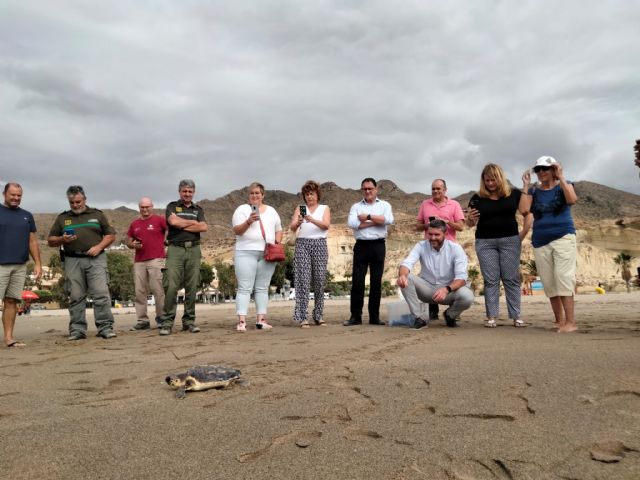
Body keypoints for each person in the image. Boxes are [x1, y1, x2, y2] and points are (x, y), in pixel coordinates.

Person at [466, 164, 533, 328]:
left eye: (493, 179)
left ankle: (516, 316)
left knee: (511, 279)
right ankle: (491, 317)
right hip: (485, 242)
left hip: (510, 240)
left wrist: (523, 233)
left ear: (500, 178)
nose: (490, 183)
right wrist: (470, 218)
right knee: (491, 280)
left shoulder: (513, 194)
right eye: (487, 180)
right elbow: (469, 223)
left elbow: (526, 211)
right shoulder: (477, 198)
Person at [48, 185, 116, 340]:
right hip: (72, 260)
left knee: (101, 294)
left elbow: (111, 235)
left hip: (96, 260)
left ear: (84, 199)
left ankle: (105, 327)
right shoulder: (62, 218)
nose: (75, 205)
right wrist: (62, 239)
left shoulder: (97, 215)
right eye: (72, 202)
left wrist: (98, 247)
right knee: (76, 296)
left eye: (78, 202)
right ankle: (77, 330)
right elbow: (51, 240)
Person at [519, 156, 578, 333]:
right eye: (538, 169)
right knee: (549, 281)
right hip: (540, 240)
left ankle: (571, 322)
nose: (541, 172)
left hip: (563, 236)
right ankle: (559, 321)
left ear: (553, 169)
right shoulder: (534, 192)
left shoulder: (564, 186)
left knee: (564, 277)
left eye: (546, 168)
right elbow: (523, 210)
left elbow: (572, 199)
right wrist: (526, 186)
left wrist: (561, 176)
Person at [396, 219, 474, 329]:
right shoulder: (421, 245)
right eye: (430, 234)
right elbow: (407, 264)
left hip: (449, 291)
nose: (432, 238)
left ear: (445, 234)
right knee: (405, 279)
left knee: (468, 296)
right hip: (427, 289)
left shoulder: (456, 248)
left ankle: (450, 315)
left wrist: (446, 289)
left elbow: (461, 278)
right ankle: (419, 318)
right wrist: (403, 275)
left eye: (436, 235)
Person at [157, 180, 208, 336]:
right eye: (184, 191)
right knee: (171, 286)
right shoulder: (172, 207)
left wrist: (182, 223)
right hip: (175, 249)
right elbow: (172, 221)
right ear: (180, 191)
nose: (187, 194)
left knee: (192, 287)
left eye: (190, 191)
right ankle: (167, 323)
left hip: (193, 249)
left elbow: (204, 227)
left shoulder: (198, 209)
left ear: (194, 192)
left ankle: (189, 322)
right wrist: (192, 222)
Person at [232, 182, 283, 332]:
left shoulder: (272, 211)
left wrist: (276, 241)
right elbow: (237, 231)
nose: (254, 196)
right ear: (248, 195)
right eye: (252, 193)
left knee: (262, 287)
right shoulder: (242, 210)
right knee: (244, 288)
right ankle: (242, 321)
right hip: (245, 251)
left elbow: (279, 229)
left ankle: (261, 320)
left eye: (257, 193)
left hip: (267, 252)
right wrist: (249, 221)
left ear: (263, 195)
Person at [343, 178, 394, 326]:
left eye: (370, 188)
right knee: (357, 282)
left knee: (376, 282)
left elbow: (389, 220)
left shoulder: (384, 205)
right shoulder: (356, 207)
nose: (367, 191)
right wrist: (377, 221)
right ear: (362, 190)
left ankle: (374, 317)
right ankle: (355, 316)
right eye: (365, 189)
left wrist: (368, 218)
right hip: (361, 246)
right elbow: (352, 224)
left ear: (376, 189)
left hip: (378, 245)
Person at [416, 178, 465, 322]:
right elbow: (417, 226)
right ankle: (433, 311)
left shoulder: (454, 204)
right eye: (433, 189)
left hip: (450, 248)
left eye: (438, 188)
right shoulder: (425, 204)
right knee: (430, 277)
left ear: (445, 190)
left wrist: (446, 222)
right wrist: (428, 225)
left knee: (450, 278)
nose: (436, 191)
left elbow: (461, 227)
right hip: (430, 246)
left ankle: (452, 311)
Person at [1, 182, 42, 347]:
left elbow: (32, 241)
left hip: (19, 265)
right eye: (13, 195)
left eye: (19, 195)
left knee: (11, 301)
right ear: (4, 194)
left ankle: (9, 338)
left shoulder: (27, 215)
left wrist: (38, 263)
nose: (16, 198)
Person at [289, 180, 331, 328]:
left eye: (312, 193)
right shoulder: (300, 208)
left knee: (319, 280)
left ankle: (318, 315)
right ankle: (303, 317)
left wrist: (311, 219)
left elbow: (326, 225)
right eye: (307, 194)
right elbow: (292, 227)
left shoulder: (324, 208)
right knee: (303, 281)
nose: (309, 197)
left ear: (317, 194)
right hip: (302, 244)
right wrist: (299, 221)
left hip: (319, 243)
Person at [127, 197, 168, 330]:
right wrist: (132, 244)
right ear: (139, 208)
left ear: (152, 206)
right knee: (139, 292)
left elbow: (170, 230)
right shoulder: (134, 224)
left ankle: (161, 318)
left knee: (158, 291)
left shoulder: (159, 220)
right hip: (139, 261)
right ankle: (142, 320)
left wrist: (166, 244)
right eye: (142, 207)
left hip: (156, 259)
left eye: (147, 207)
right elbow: (128, 241)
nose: (145, 209)